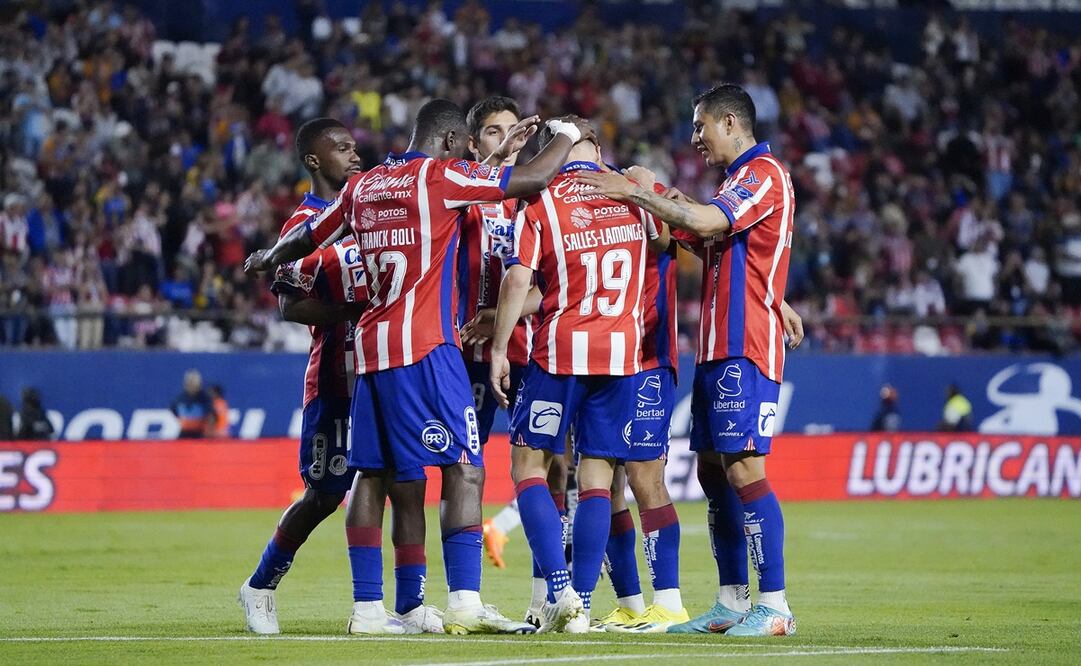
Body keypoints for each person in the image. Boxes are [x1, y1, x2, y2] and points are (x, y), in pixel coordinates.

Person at [244, 99, 592, 634]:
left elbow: (311, 237)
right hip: (427, 349)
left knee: (379, 476)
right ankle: (467, 605)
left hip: (369, 353)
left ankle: (369, 611)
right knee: (466, 470)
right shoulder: (440, 177)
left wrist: (270, 254)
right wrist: (567, 133)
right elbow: (536, 177)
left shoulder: (366, 186)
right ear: (453, 142)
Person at [576, 83, 798, 636]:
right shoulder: (734, 183)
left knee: (744, 466)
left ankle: (774, 606)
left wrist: (632, 193)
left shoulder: (762, 174)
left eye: (700, 126)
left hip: (745, 346)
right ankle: (731, 601)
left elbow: (705, 224)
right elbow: (715, 242)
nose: (695, 137)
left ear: (729, 122)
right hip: (717, 346)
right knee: (711, 471)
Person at [239, 117, 439, 636]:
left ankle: (411, 605)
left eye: (356, 146)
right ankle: (260, 586)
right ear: (313, 160)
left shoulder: (375, 206)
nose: (356, 154)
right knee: (326, 493)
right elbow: (289, 306)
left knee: (409, 481)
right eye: (343, 148)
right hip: (335, 380)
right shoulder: (302, 226)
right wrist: (361, 310)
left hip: (389, 371)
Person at [488, 120, 682, 633]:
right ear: (599, 147)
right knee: (598, 477)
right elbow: (665, 242)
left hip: (560, 353)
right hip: (623, 357)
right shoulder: (633, 192)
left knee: (528, 465)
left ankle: (558, 590)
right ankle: (584, 603)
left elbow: (517, 279)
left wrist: (500, 347)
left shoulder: (543, 202)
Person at [454, 96, 570, 599]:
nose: (506, 140)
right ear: (474, 141)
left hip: (530, 352)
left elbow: (552, 286)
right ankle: (466, 597)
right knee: (466, 471)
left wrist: (506, 316)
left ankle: (547, 592)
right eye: (493, 133)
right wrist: (497, 163)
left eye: (512, 132)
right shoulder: (457, 193)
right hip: (464, 358)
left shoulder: (535, 201)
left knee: (554, 466)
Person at [171, 369, 213, 438]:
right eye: (189, 381)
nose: (191, 383)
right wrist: (185, 421)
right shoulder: (180, 398)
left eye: (193, 381)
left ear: (199, 382)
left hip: (200, 433)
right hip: (184, 432)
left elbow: (210, 415)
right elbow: (173, 409)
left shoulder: (205, 399)